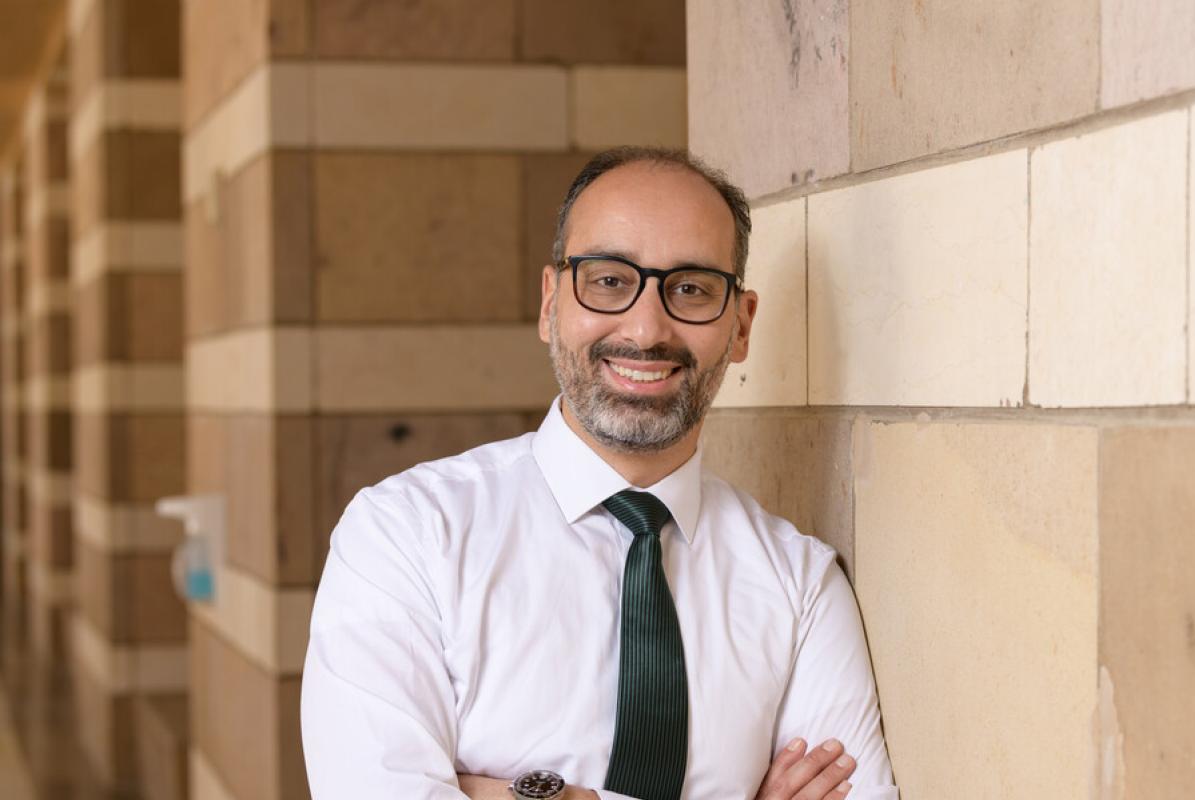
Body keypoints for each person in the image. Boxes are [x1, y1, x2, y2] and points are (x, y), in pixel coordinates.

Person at [300, 147, 897, 800]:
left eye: (691, 288)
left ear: (741, 324)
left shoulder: (801, 588)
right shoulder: (403, 536)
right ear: (551, 302)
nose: (646, 329)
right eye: (610, 281)